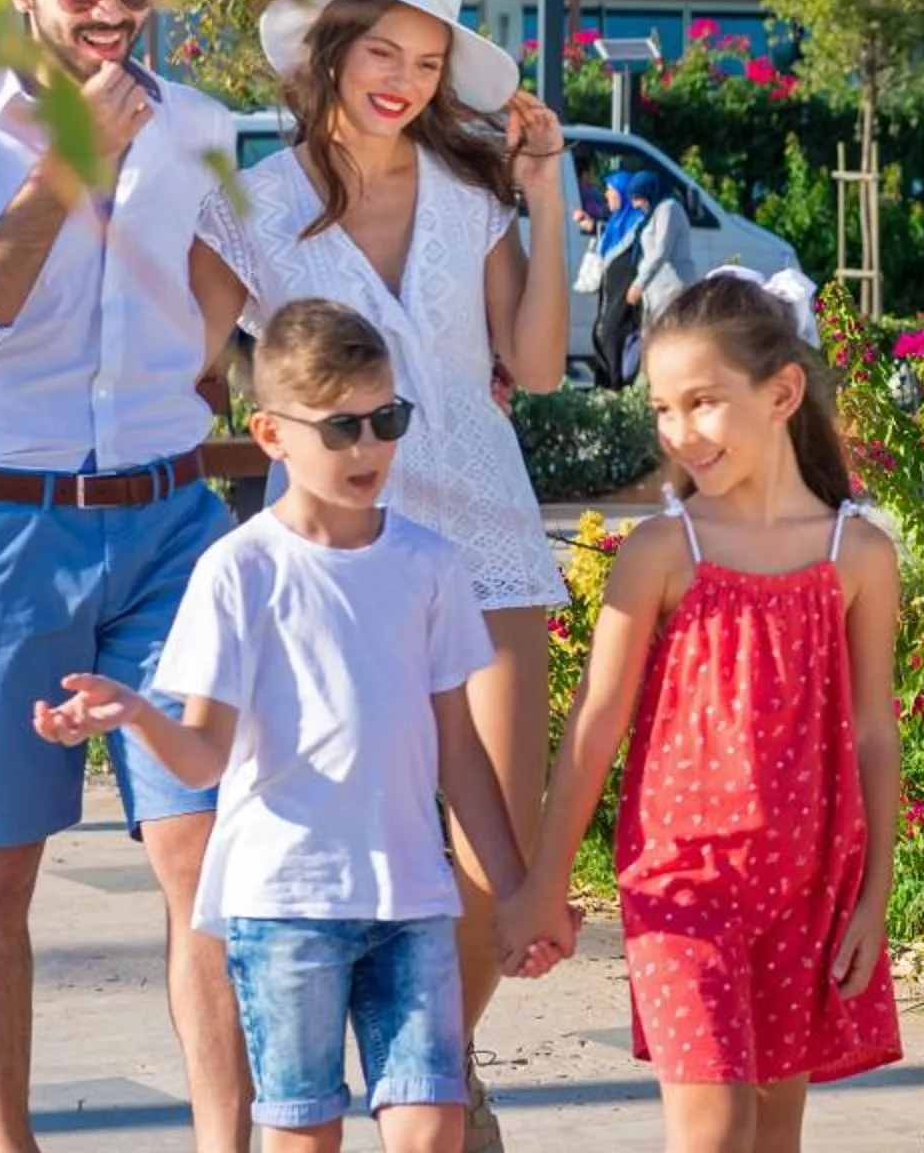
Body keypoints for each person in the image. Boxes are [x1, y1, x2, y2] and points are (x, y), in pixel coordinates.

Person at [31, 300, 574, 1153]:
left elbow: (459, 754)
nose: (368, 449)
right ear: (273, 435)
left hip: (411, 903)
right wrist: (134, 713)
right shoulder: (238, 571)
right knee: (303, 1134)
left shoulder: (428, 566)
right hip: (283, 908)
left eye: (386, 420)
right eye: (342, 427)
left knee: (431, 1129)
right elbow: (205, 756)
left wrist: (517, 898)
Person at [189, 0, 571, 1152]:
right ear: (334, 49)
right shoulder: (248, 202)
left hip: (491, 538)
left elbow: (546, 365)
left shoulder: (472, 196)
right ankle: (422, 1091)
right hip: (332, 555)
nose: (401, 79)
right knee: (341, 827)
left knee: (499, 847)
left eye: (426, 60)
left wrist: (546, 195)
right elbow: (185, 366)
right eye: (381, 51)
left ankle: (432, 1069)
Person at [0, 0, 250, 1153]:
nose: (113, 9)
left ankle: (229, 1139)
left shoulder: (201, 124)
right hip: (5, 534)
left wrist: (193, 369)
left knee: (203, 853)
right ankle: (9, 1142)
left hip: (170, 527)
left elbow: (241, 266)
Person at [501, 270, 902, 1153]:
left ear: (782, 393)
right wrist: (542, 886)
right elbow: (596, 723)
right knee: (713, 1130)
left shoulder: (859, 556)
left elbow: (875, 732)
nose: (680, 433)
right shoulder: (659, 552)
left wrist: (875, 896)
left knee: (771, 1132)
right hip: (682, 890)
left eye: (703, 403)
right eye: (662, 410)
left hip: (809, 896)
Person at [588, 169, 691, 388]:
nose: (636, 204)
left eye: (638, 198)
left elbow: (661, 250)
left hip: (670, 291)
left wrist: (638, 284)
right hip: (653, 295)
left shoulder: (668, 209)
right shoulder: (652, 211)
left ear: (649, 193)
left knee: (669, 346)